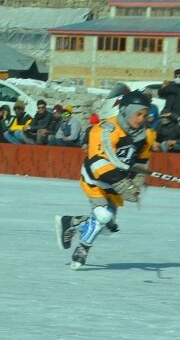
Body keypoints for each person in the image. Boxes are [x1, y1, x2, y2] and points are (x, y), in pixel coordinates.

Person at [57, 90, 156, 268]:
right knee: (102, 214)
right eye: (138, 113)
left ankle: (71, 222)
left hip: (117, 181)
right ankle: (82, 250)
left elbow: (142, 161)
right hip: (95, 178)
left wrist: (139, 180)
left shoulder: (145, 135)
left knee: (108, 228)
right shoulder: (104, 130)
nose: (141, 118)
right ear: (125, 111)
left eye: (145, 115)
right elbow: (98, 163)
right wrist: (124, 185)